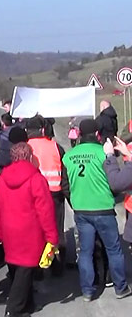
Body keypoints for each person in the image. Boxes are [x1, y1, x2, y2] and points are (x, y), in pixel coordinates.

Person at [62, 119, 131, 301]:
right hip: (103, 208)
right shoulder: (103, 153)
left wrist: (74, 200)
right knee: (114, 250)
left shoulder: (69, 156)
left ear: (80, 135)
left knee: (85, 251)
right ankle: (120, 287)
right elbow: (114, 182)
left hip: (81, 210)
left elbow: (65, 185)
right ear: (98, 135)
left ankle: (87, 290)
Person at [0, 142, 59, 316]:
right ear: (29, 157)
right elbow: (45, 211)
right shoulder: (36, 179)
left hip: (9, 231)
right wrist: (52, 237)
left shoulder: (2, 178)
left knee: (17, 268)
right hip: (30, 232)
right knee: (25, 271)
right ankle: (13, 309)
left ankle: (27, 305)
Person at [25, 115, 69, 275]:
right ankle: (57, 267)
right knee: (56, 231)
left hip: (33, 197)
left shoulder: (25, 147)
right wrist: (70, 198)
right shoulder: (55, 147)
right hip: (55, 194)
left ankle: (37, 269)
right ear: (43, 129)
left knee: (36, 232)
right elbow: (65, 175)